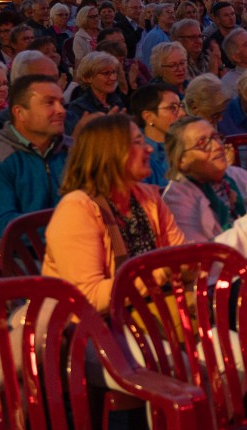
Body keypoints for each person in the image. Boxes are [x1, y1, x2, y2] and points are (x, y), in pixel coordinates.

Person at [42, 113, 184, 312]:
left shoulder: (148, 196)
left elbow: (180, 254)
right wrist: (163, 271)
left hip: (151, 310)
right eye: (138, 143)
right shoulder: (77, 209)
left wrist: (189, 264)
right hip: (97, 325)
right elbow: (88, 297)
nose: (149, 149)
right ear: (110, 153)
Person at [162, 116, 247, 275]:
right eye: (202, 144)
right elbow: (203, 263)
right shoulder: (177, 199)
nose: (217, 146)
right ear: (181, 161)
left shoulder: (237, 175)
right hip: (229, 282)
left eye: (216, 137)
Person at [0, 73, 70, 243]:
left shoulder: (73, 149)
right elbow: (0, 229)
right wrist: (67, 229)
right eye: (49, 103)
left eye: (61, 103)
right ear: (20, 113)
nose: (61, 111)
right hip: (24, 253)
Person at [130, 83, 185, 185]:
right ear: (149, 117)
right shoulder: (138, 157)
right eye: (172, 108)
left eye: (181, 106)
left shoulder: (186, 144)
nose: (182, 113)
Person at [65, 51, 127, 135]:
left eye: (114, 72)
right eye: (106, 73)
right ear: (88, 78)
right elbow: (75, 139)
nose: (113, 78)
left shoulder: (116, 100)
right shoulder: (79, 107)